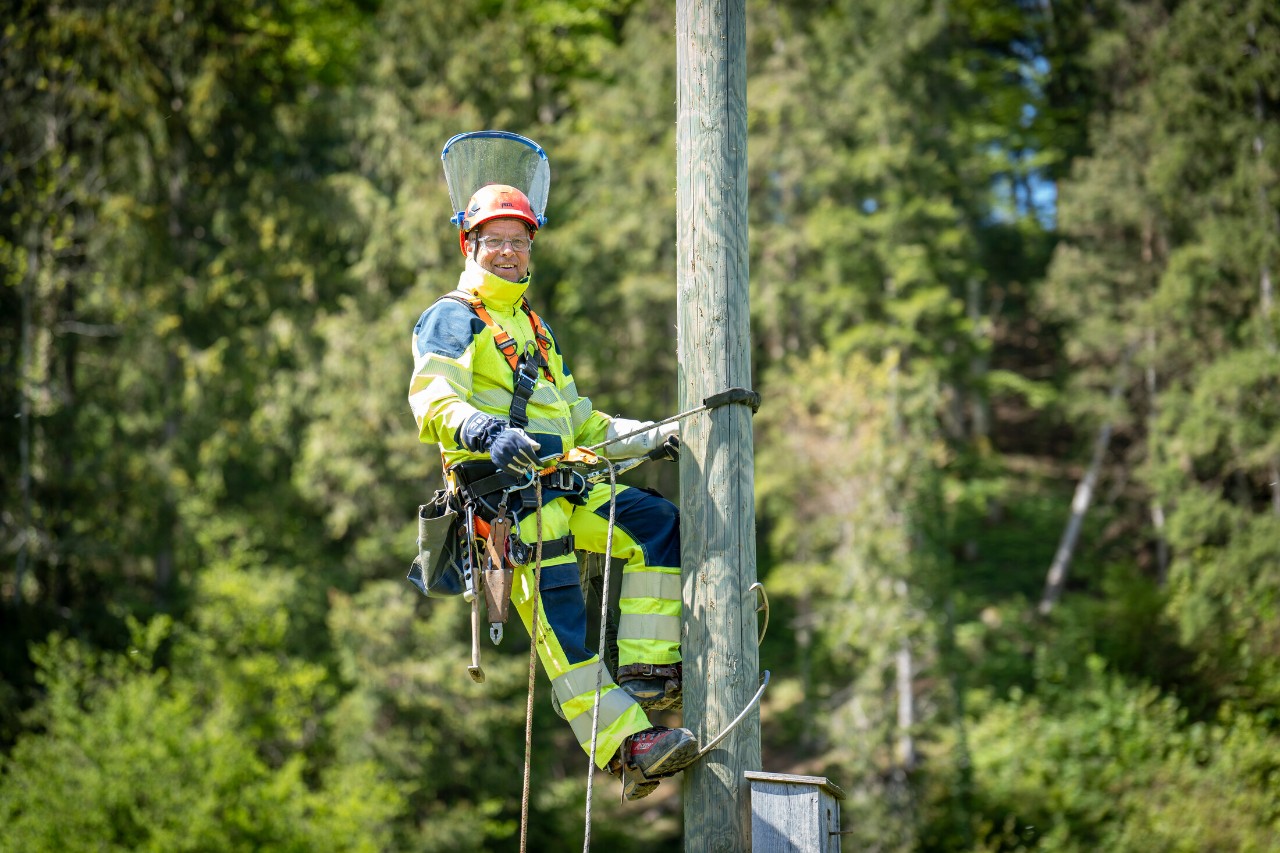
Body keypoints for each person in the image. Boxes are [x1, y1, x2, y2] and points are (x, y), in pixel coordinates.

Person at [408, 183, 697, 800]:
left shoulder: (534, 327)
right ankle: (626, 749)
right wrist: (484, 430)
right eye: (495, 242)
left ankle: (650, 672)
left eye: (518, 241)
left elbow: (582, 423)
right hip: (510, 507)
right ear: (470, 245)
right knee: (562, 623)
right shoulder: (453, 316)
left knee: (657, 526)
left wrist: (651, 437)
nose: (508, 253)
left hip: (565, 486)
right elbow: (432, 398)